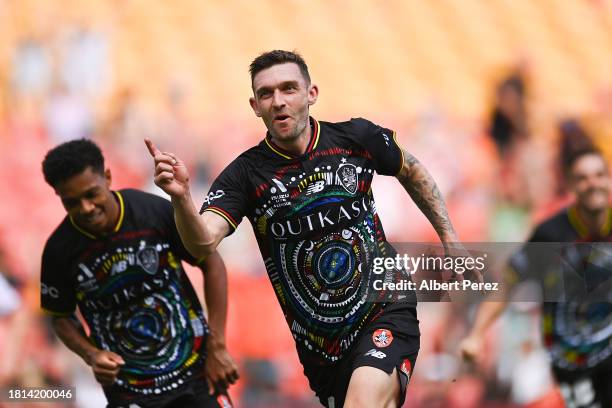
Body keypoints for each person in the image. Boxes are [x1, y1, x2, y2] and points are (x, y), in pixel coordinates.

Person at [146, 50, 460, 408]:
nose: (278, 101)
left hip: (384, 305)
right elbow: (202, 242)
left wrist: (449, 238)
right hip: (320, 349)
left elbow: (412, 170)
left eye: (288, 89)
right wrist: (181, 198)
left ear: (311, 93)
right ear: (255, 105)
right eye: (266, 94)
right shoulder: (245, 175)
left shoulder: (355, 137)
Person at [40, 139, 238, 408]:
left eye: (91, 194)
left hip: (196, 374)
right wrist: (91, 354)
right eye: (72, 202)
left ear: (107, 177)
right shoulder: (59, 250)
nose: (86, 208)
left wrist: (217, 345)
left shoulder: (152, 212)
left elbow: (211, 263)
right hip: (129, 392)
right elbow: (60, 315)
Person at [460, 148, 612, 407]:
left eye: (599, 175)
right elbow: (507, 283)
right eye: (583, 178)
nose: (593, 184)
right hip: (570, 361)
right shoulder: (550, 234)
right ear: (571, 185)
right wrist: (477, 334)